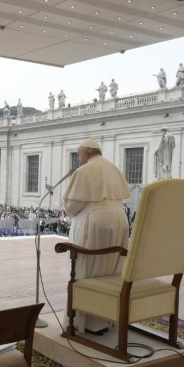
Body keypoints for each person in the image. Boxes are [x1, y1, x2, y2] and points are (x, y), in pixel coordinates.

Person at [62, 138, 131, 334]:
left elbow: (73, 206)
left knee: (88, 267)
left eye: (78, 155)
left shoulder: (84, 171)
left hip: (94, 223)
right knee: (109, 268)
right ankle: (106, 319)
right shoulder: (113, 168)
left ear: (85, 153)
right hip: (119, 221)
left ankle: (88, 321)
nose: (78, 159)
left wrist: (64, 201)